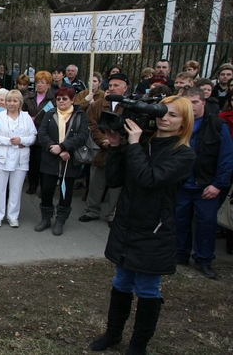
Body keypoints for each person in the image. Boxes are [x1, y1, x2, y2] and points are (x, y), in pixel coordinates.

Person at [90, 95, 195, 355]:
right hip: (126, 224)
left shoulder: (183, 154)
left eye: (172, 115)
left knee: (148, 289)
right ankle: (113, 334)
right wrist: (115, 146)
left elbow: (149, 179)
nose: (164, 118)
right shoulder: (143, 143)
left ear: (184, 123)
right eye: (162, 112)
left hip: (154, 230)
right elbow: (115, 181)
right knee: (121, 282)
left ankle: (138, 345)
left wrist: (134, 144)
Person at [174, 87, 233, 279]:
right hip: (182, 184)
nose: (191, 107)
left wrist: (218, 184)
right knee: (180, 221)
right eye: (187, 103)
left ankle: (204, 260)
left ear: (203, 103)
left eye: (195, 102)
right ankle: (180, 254)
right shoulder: (178, 124)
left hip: (207, 186)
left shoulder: (217, 125)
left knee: (206, 224)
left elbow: (226, 158)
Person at [35, 87, 89, 236]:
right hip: (50, 158)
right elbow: (42, 133)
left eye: (64, 99)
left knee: (66, 192)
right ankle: (46, 218)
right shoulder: (50, 113)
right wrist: (53, 148)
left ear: (72, 100)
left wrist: (64, 147)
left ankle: (60, 220)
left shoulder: (80, 115)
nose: (61, 101)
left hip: (69, 159)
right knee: (47, 190)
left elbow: (83, 135)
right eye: (58, 98)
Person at [80, 73, 128, 226]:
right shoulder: (98, 104)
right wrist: (103, 140)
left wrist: (118, 142)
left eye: (116, 85)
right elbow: (91, 125)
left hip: (121, 153)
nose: (112, 88)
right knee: (95, 183)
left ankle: (113, 215)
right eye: (111, 85)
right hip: (101, 151)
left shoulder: (129, 105)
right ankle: (92, 211)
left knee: (116, 187)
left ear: (125, 88)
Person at [0, 90, 37, 227]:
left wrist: (21, 140)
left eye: (15, 101)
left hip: (20, 159)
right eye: (9, 100)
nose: (11, 103)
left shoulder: (26, 117)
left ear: (20, 103)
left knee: (16, 190)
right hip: (1, 157)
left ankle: (12, 216)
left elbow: (33, 136)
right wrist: (10, 141)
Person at [23, 71, 56, 195]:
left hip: (44, 133)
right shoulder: (29, 98)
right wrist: (28, 118)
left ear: (48, 85)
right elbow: (22, 113)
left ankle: (43, 187)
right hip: (30, 133)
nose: (40, 85)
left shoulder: (52, 100)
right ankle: (32, 185)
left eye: (43, 83)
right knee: (32, 162)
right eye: (38, 82)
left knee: (43, 162)